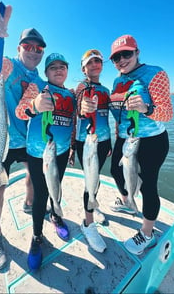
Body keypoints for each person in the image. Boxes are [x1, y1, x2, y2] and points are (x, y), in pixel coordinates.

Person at [0, 3, 46, 270]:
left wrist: (34, 105)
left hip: (24, 142)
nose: (33, 51)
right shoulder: (8, 65)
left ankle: (29, 204)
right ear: (18, 48)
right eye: (28, 46)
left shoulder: (40, 82)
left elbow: (22, 109)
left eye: (38, 48)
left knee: (33, 177)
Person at [108, 34, 173, 255]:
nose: (121, 60)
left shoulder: (156, 73)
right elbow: (118, 113)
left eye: (126, 54)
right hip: (126, 139)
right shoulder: (117, 80)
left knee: (148, 186)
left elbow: (168, 113)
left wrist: (148, 108)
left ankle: (147, 234)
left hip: (152, 141)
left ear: (137, 52)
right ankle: (128, 201)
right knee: (116, 172)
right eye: (116, 57)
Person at [15, 53, 75, 271]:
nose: (58, 70)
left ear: (67, 70)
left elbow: (72, 122)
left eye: (62, 66)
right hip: (38, 154)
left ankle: (55, 216)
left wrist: (72, 148)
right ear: (46, 71)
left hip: (61, 152)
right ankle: (37, 235)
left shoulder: (71, 95)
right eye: (53, 67)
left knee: (56, 189)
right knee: (40, 195)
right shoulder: (37, 86)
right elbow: (21, 112)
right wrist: (34, 104)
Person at [74, 49, 112, 253]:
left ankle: (93, 205)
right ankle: (88, 223)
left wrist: (111, 142)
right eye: (90, 63)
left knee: (96, 180)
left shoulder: (106, 90)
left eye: (98, 61)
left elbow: (108, 117)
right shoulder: (80, 87)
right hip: (86, 143)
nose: (95, 65)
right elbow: (78, 109)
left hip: (104, 141)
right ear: (83, 68)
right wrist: (83, 108)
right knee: (90, 182)